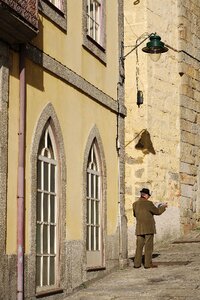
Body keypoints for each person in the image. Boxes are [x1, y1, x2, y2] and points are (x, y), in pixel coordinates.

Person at [132, 188, 167, 269]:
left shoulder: (135, 204)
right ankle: (147, 264)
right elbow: (157, 212)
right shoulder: (149, 203)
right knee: (148, 246)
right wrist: (163, 207)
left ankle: (137, 264)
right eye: (148, 196)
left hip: (139, 228)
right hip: (148, 228)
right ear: (146, 195)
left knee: (139, 246)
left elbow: (135, 214)